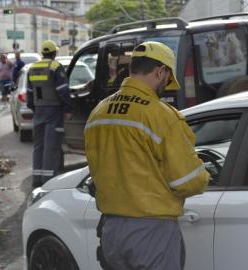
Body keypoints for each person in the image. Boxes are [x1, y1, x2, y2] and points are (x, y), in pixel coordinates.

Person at [84, 41, 210, 270]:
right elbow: (187, 181)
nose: (166, 86)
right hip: (151, 233)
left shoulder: (99, 113)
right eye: (167, 79)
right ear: (161, 71)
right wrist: (205, 176)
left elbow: (96, 168)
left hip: (110, 231)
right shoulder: (162, 116)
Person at [27, 40, 73, 188]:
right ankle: (48, 181)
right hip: (54, 111)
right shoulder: (55, 67)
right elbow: (63, 90)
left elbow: (29, 94)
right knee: (51, 146)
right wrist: (68, 109)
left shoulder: (32, 68)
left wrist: (35, 109)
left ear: (43, 53)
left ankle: (37, 179)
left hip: (39, 111)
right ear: (54, 53)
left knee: (38, 146)